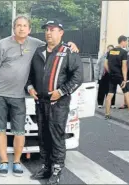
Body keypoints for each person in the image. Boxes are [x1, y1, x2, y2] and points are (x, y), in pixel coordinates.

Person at [0, 15, 79, 177]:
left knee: (19, 131)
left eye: (24, 26)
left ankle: (17, 161)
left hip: (19, 95)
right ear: (14, 28)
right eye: (18, 25)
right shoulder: (3, 44)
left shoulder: (36, 44)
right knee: (0, 130)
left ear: (29, 29)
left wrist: (70, 44)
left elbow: (54, 45)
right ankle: (4, 161)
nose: (21, 28)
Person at [26, 20, 83, 184]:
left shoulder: (68, 52)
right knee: (43, 136)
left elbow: (78, 76)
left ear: (61, 32)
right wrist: (30, 88)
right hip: (40, 102)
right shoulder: (38, 52)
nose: (48, 33)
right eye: (46, 30)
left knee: (56, 137)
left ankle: (57, 170)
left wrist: (61, 91)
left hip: (58, 104)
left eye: (52, 30)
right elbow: (30, 76)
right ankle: (46, 167)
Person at [104, 35, 129, 121]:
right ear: (123, 41)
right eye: (126, 42)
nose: (126, 44)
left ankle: (107, 114)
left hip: (112, 75)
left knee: (110, 95)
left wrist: (110, 72)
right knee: (127, 94)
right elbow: (124, 66)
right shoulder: (123, 52)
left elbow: (105, 64)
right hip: (120, 76)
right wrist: (124, 79)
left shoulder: (110, 51)